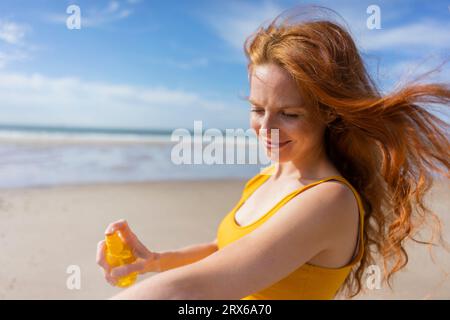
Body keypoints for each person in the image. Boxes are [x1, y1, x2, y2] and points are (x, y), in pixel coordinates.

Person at [96, 6, 450, 299]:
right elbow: (232, 253)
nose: (266, 128)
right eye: (257, 109)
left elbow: (198, 288)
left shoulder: (329, 200)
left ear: (329, 113)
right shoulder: (269, 174)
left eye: (289, 114)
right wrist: (156, 260)